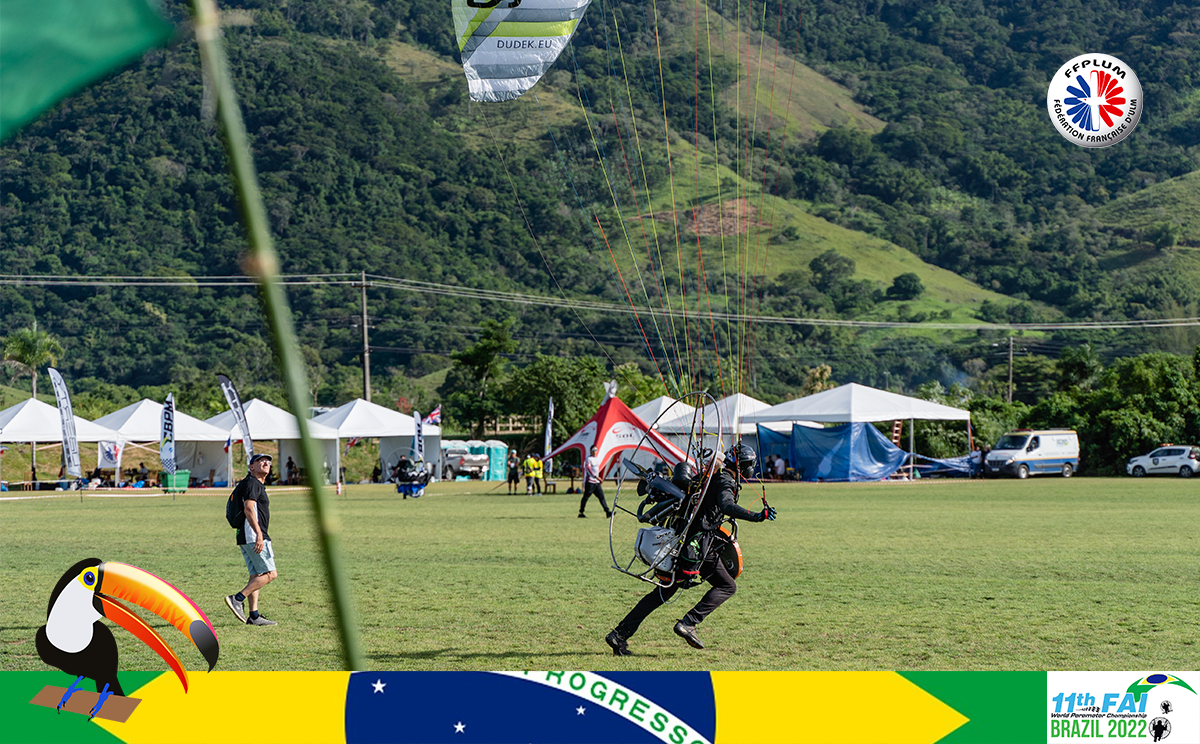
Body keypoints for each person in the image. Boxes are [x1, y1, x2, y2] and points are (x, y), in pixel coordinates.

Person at [605, 442, 776, 655]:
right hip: (698, 545)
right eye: (750, 464)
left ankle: (619, 635)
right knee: (727, 586)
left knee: (664, 591)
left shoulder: (710, 478)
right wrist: (757, 516)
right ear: (742, 465)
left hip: (682, 540)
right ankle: (688, 623)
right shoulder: (725, 480)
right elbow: (726, 505)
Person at [224, 453, 278, 626]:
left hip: (246, 535)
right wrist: (259, 534)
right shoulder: (252, 483)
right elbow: (248, 509)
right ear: (251, 467)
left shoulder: (253, 483)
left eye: (268, 461)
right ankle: (237, 599)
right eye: (260, 461)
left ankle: (253, 616)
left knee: (256, 575)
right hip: (253, 535)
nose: (266, 463)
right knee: (270, 574)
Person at [579, 446, 612, 519]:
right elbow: (588, 469)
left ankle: (608, 512)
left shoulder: (597, 459)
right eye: (593, 450)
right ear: (590, 451)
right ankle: (581, 512)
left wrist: (599, 477)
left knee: (601, 497)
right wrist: (596, 477)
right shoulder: (588, 459)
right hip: (590, 482)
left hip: (596, 483)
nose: (595, 451)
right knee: (586, 497)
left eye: (596, 450)